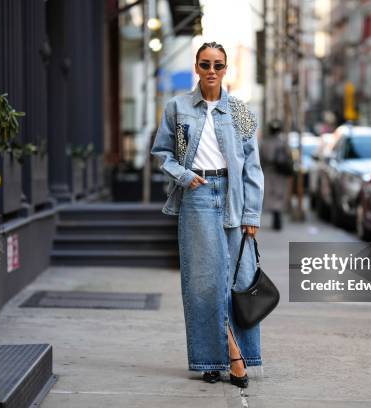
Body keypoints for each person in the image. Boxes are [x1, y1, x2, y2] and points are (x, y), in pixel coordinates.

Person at [150, 42, 264, 388]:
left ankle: (224, 357)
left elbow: (252, 166)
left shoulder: (240, 111)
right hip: (197, 196)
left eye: (218, 65)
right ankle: (226, 357)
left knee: (239, 282)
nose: (211, 71)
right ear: (197, 68)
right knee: (203, 283)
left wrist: (252, 213)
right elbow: (162, 152)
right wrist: (184, 176)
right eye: (205, 65)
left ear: (225, 69)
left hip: (232, 195)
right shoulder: (178, 107)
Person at [260, 119, 293, 230]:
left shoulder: (265, 143)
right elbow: (289, 158)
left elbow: (260, 159)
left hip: (269, 172)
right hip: (280, 173)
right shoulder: (284, 142)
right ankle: (277, 216)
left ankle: (276, 217)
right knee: (279, 194)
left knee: (271, 194)